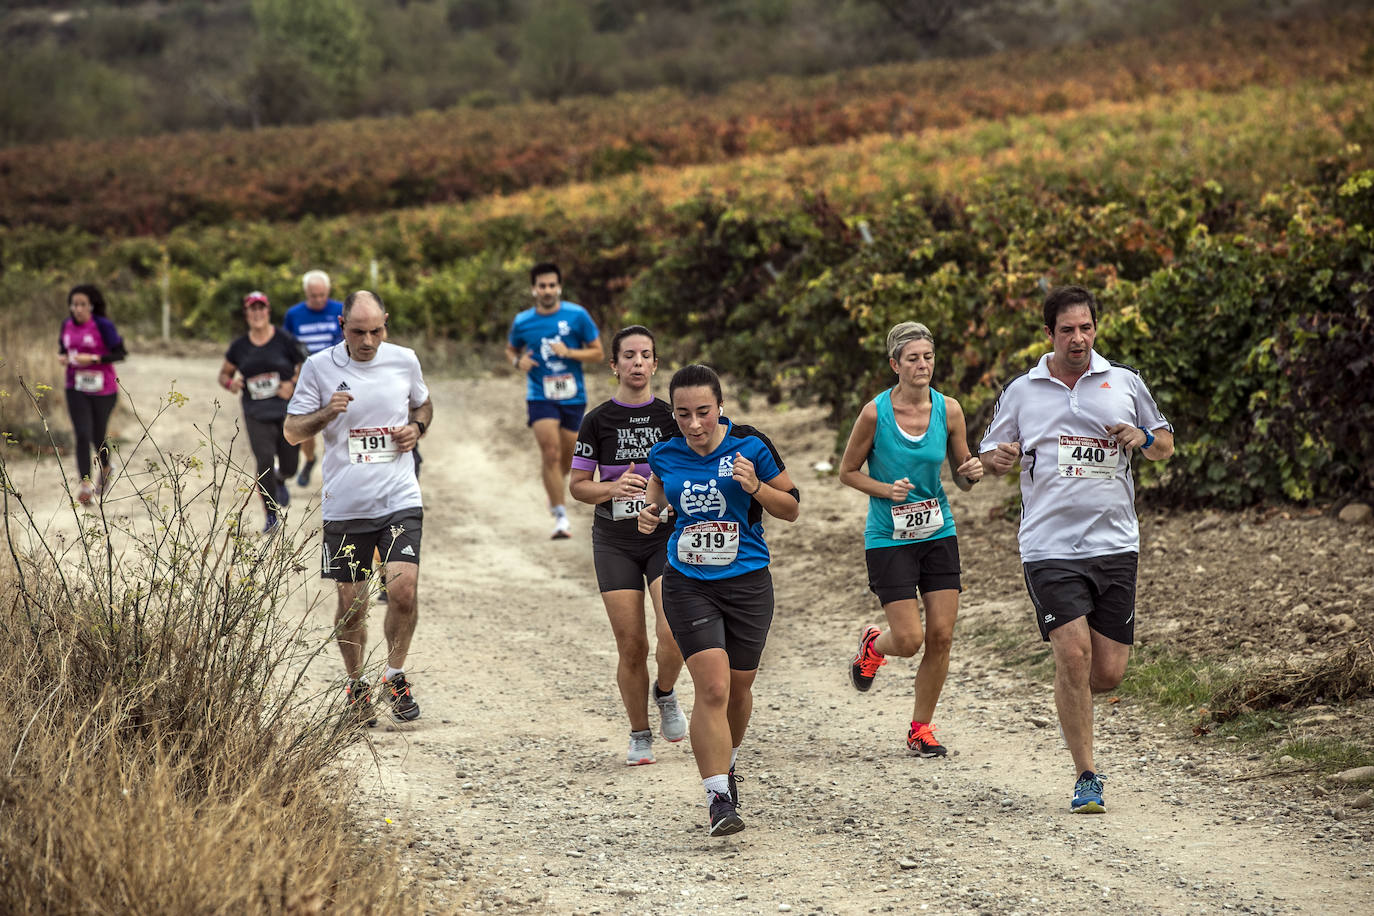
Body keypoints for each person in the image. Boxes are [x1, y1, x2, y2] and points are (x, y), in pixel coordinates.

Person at [978, 285, 1174, 814]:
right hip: (1048, 545)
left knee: (1107, 673)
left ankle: (1073, 691)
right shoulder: (1023, 390)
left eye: (1086, 327)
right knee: (1073, 653)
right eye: (1067, 329)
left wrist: (1140, 437)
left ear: (1095, 328)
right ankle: (1086, 775)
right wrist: (1002, 456)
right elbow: (989, 454)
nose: (1078, 338)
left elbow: (1165, 444)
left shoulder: (1124, 382)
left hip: (1115, 543)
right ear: (1049, 334)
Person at [637, 365, 800, 837]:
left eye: (703, 412)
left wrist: (755, 487)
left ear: (720, 407)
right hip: (688, 581)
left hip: (748, 582)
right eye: (683, 414)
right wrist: (650, 518)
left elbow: (791, 508)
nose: (693, 424)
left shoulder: (752, 445)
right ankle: (717, 799)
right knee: (711, 687)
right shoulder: (663, 453)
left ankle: (725, 766)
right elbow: (658, 501)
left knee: (739, 689)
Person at [284, 290, 433, 726]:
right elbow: (293, 431)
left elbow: (423, 401)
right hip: (346, 505)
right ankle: (356, 686)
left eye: (376, 330)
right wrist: (327, 414)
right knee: (353, 605)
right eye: (358, 332)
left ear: (386, 322)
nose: (368, 341)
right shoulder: (319, 367)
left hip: (399, 497)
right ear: (341, 326)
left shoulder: (404, 359)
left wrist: (417, 427)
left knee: (403, 591)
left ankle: (394, 675)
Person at [839, 321, 984, 758]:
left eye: (928, 357)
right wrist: (887, 490)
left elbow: (962, 475)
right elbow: (848, 472)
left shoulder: (950, 409)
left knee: (941, 635)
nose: (922, 365)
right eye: (913, 359)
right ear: (895, 364)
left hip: (938, 530)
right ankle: (873, 646)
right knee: (909, 640)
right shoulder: (875, 413)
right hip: (889, 536)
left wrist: (970, 473)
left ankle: (920, 729)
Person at [569, 326, 687, 766]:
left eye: (646, 355)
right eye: (629, 356)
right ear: (614, 365)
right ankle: (640, 734)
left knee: (672, 630)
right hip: (615, 540)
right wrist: (612, 488)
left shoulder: (672, 418)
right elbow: (578, 487)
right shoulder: (597, 421)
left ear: (655, 364)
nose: (638, 363)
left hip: (663, 536)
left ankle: (666, 692)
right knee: (632, 644)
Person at [505, 262, 603, 539]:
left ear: (559, 287)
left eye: (551, 285)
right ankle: (561, 517)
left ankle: (554, 488)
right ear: (533, 289)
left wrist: (570, 353)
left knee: (567, 456)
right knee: (549, 452)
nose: (547, 290)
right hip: (540, 395)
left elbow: (597, 353)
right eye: (541, 286)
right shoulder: (523, 321)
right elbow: (511, 349)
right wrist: (517, 361)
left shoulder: (577, 315)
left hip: (573, 395)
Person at [218, 291, 305, 534]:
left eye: (261, 309)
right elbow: (224, 374)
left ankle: (281, 478)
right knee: (264, 460)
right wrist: (231, 384)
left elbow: (304, 365)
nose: (257, 313)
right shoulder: (239, 347)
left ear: (267, 312)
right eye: (252, 309)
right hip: (256, 412)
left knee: (290, 465)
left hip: (287, 411)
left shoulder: (284, 339)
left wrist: (292, 384)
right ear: (246, 314)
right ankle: (271, 515)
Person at [57, 284, 127, 505]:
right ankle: (85, 484)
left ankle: (106, 467)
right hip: (75, 387)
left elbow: (120, 354)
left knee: (98, 435)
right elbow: (63, 350)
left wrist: (94, 359)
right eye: (74, 304)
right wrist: (62, 358)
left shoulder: (102, 325)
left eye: (82, 304)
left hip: (104, 390)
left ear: (91, 306)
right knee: (82, 433)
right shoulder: (66, 325)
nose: (77, 309)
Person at [282, 269, 344, 487]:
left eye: (322, 295)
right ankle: (309, 459)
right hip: (306, 379)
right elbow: (286, 348)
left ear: (328, 292)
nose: (318, 300)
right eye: (313, 296)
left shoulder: (341, 310)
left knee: (339, 426)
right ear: (306, 293)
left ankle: (338, 475)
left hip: (336, 378)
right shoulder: (294, 315)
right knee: (306, 426)